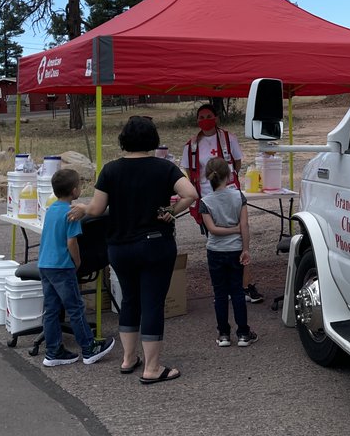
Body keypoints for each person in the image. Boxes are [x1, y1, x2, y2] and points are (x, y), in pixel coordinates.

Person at [69, 115, 197, 385]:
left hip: (119, 247)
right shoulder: (164, 167)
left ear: (124, 139)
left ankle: (128, 359)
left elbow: (96, 209)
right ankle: (152, 368)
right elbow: (191, 194)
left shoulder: (111, 170)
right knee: (152, 303)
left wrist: (81, 208)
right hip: (155, 244)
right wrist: (170, 211)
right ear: (153, 139)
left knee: (129, 300)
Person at [183, 104, 264, 304]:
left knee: (241, 239)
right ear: (197, 120)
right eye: (201, 117)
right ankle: (224, 288)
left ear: (216, 117)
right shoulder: (191, 145)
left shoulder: (229, 138)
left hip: (230, 195)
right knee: (215, 242)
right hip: (207, 199)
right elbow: (187, 169)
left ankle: (245, 285)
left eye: (209, 116)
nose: (205, 120)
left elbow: (236, 164)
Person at [38, 168, 116, 367]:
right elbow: (72, 242)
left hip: (45, 264)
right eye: (79, 185)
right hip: (62, 266)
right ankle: (89, 347)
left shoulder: (51, 210)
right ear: (74, 191)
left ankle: (53, 350)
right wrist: (78, 262)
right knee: (75, 307)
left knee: (51, 309)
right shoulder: (72, 214)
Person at [200, 157, 257, 347]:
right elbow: (245, 225)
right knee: (238, 292)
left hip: (215, 250)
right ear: (229, 175)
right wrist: (245, 247)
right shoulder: (238, 196)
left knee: (220, 293)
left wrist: (229, 230)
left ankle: (223, 333)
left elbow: (213, 230)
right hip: (235, 249)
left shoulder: (205, 202)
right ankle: (243, 332)